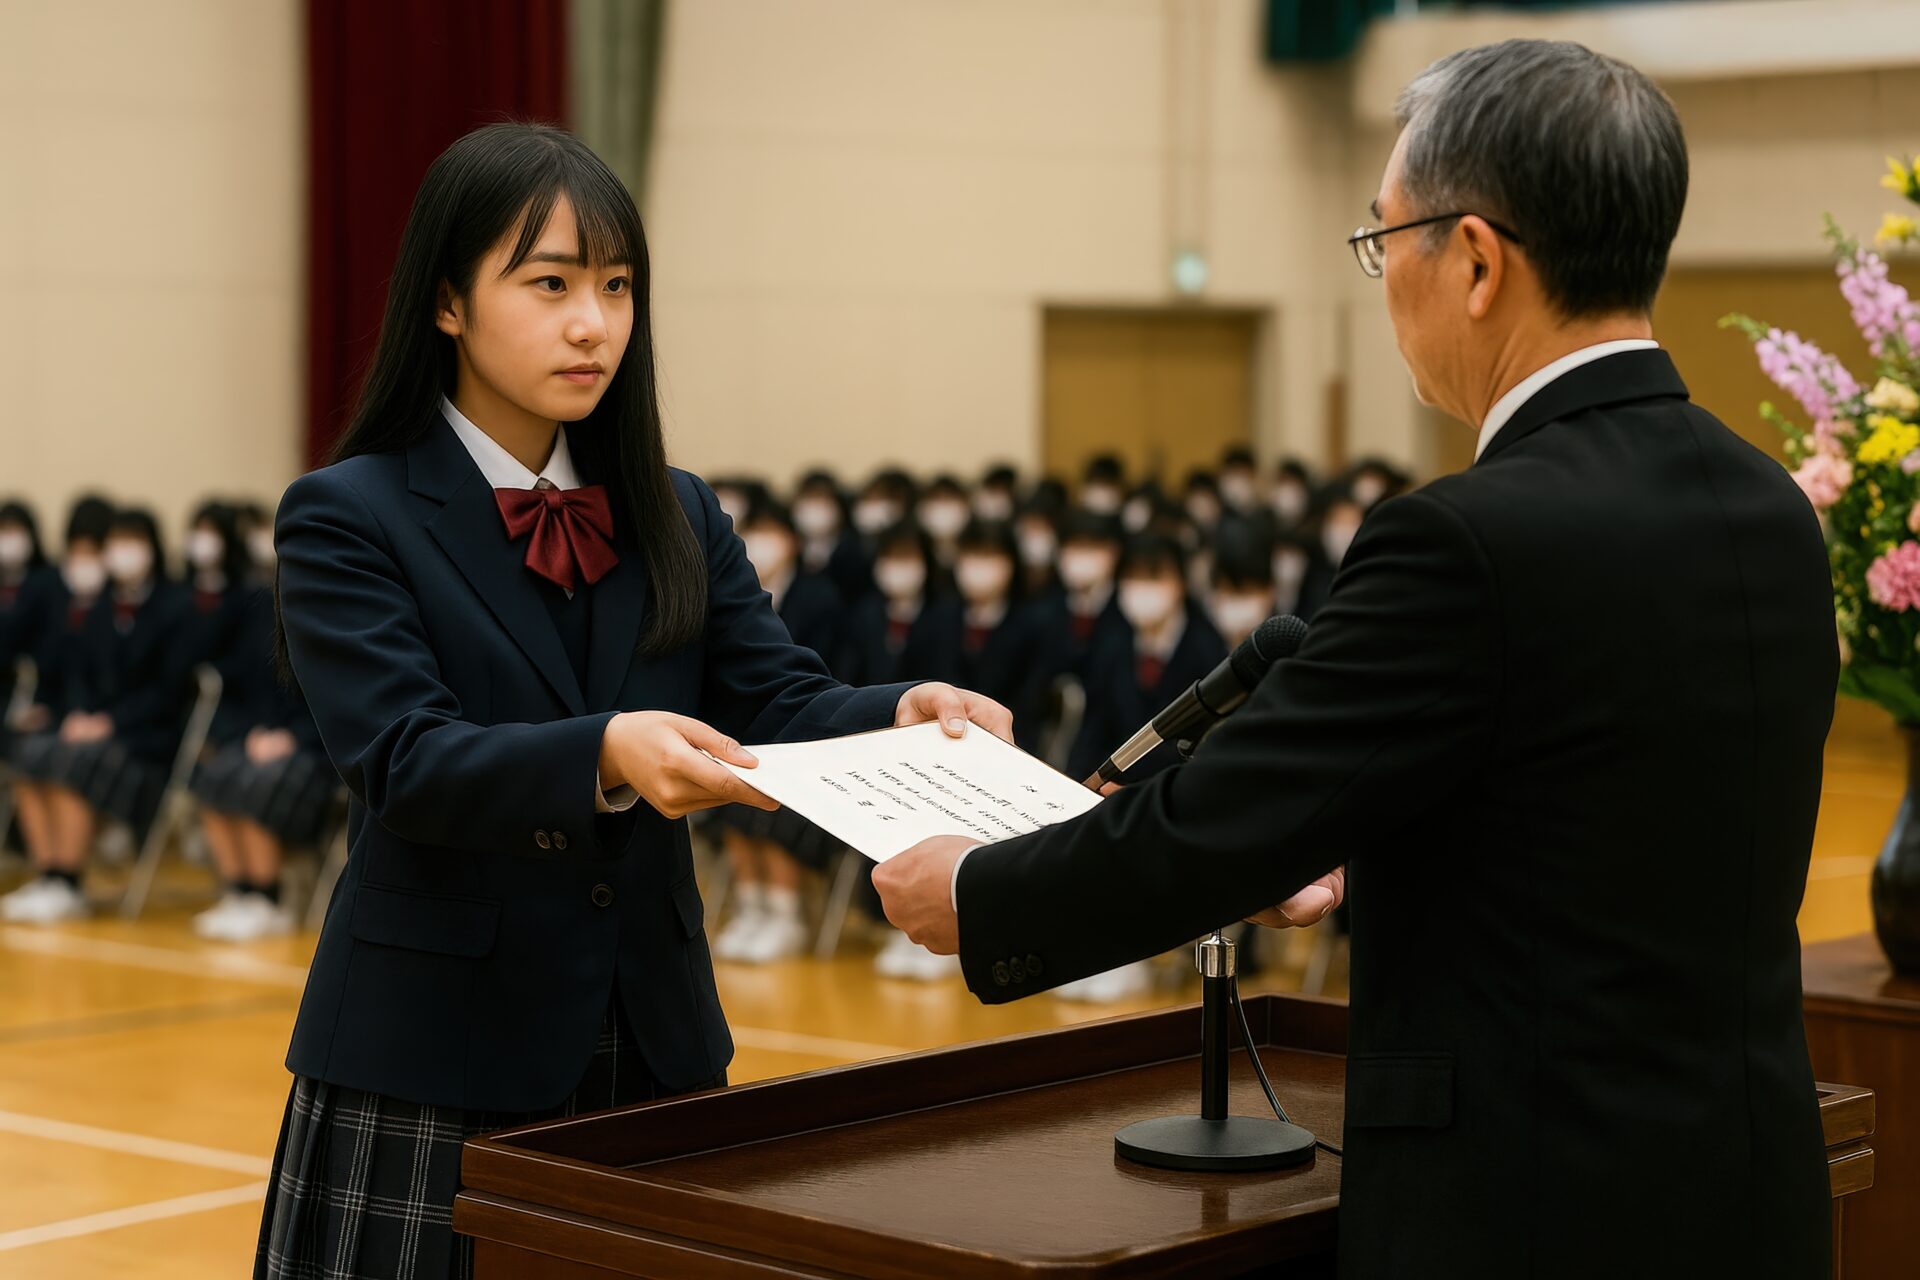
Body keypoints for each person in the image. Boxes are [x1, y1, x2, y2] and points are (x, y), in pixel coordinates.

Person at [875, 39, 1837, 1279]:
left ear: (1478, 259)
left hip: (1532, 1208)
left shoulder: (1467, 536)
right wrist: (1380, 829)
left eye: (1387, 238)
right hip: (1747, 1187)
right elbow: (1607, 829)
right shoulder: (1768, 505)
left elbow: (1221, 822)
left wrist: (979, 891)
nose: (1384, 277)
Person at [254, 122, 1009, 1280]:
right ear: (448, 301)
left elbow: (775, 699)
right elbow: (404, 759)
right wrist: (604, 749)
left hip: (653, 1033)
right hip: (435, 1046)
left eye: (616, 286)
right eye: (549, 283)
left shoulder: (675, 505)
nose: (592, 322)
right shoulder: (346, 513)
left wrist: (898, 705)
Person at [5, 507, 194, 922]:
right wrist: (75, 715)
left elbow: (169, 691)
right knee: (29, 753)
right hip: (93, 726)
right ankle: (49, 874)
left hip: (145, 739)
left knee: (74, 763)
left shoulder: (174, 606)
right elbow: (80, 674)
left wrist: (109, 723)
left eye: (133, 543)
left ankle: (69, 881)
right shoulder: (100, 607)